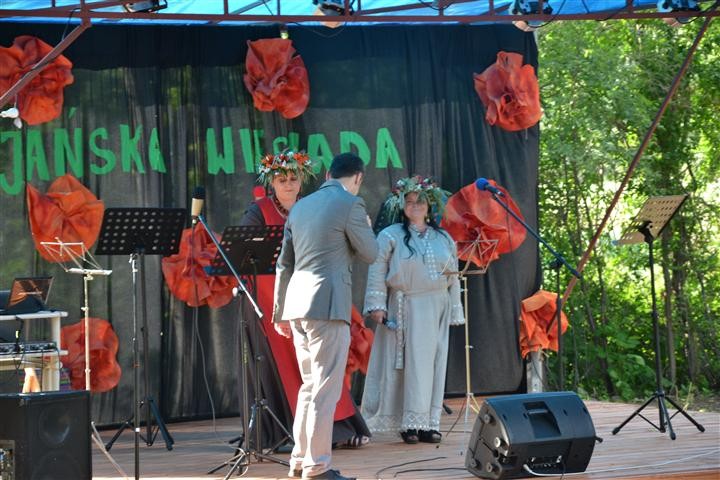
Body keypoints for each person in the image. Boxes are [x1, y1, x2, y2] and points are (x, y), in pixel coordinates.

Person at [240, 151, 371, 451]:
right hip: (271, 297)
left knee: (321, 370)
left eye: (293, 179)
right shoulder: (259, 210)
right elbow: (245, 251)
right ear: (272, 183)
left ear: (302, 180)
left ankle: (335, 431)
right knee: (292, 368)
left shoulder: (312, 206)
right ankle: (286, 436)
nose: (288, 184)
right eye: (281, 180)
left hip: (310, 292)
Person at [273, 153, 378, 480]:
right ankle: (317, 467)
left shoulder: (299, 207)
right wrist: (366, 228)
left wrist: (279, 312)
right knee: (324, 389)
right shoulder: (351, 204)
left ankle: (300, 461)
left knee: (309, 387)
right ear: (358, 177)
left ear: (329, 174)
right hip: (328, 306)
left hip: (297, 306)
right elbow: (371, 252)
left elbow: (283, 263)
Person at [361, 175, 464, 444]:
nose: (415, 206)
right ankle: (409, 425)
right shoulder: (390, 235)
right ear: (401, 205)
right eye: (409, 201)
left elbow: (453, 276)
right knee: (409, 366)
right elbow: (376, 270)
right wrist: (376, 305)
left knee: (433, 365)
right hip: (406, 306)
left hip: (437, 307)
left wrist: (455, 308)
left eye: (420, 201)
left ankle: (429, 423)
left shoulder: (443, 238)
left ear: (429, 206)